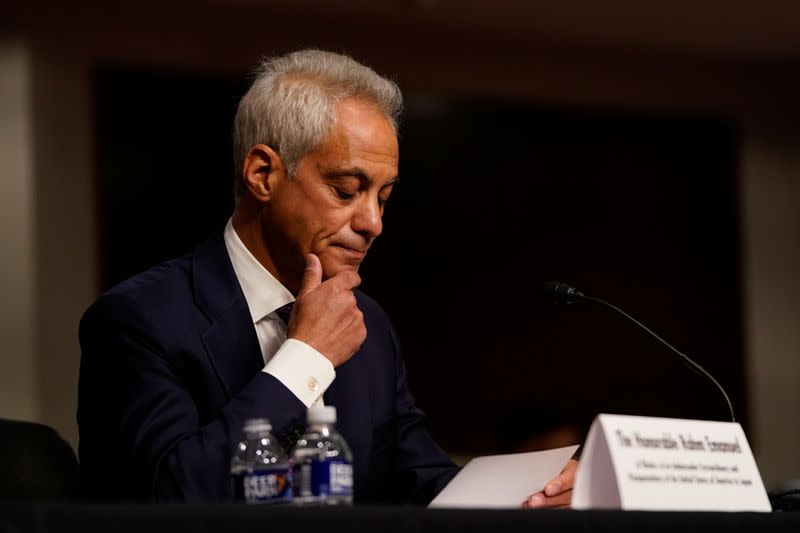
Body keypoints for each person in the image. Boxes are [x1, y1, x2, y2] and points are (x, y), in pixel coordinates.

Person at [77, 49, 577, 505]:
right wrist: (305, 359)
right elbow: (170, 493)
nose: (373, 224)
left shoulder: (368, 326)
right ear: (263, 175)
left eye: (382, 196)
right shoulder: (139, 320)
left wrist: (533, 492)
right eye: (345, 190)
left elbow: (423, 482)